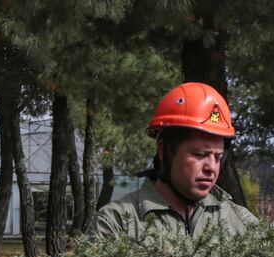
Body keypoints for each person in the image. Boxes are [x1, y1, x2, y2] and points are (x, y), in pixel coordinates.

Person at [91, 82, 256, 239]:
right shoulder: (117, 224)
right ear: (164, 150)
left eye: (218, 157)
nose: (211, 168)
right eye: (199, 154)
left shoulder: (242, 224)